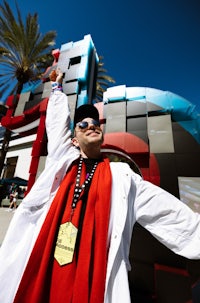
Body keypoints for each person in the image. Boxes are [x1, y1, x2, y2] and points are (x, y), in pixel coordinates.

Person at [0, 69, 200, 303]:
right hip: (46, 264)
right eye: (83, 124)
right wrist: (57, 87)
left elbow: (167, 211)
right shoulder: (63, 160)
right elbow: (56, 123)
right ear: (74, 139)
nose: (91, 125)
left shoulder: (123, 177)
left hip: (91, 275)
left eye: (95, 122)